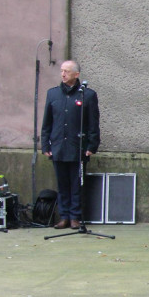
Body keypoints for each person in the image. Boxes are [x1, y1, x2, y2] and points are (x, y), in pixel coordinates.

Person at [40, 60, 100, 229]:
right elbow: (47, 122)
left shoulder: (87, 95)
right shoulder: (53, 94)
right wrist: (45, 145)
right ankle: (64, 216)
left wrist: (91, 146)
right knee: (62, 184)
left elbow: (93, 123)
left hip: (78, 147)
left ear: (76, 74)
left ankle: (75, 216)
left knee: (76, 184)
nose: (63, 74)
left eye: (67, 71)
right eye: (62, 71)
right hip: (58, 146)